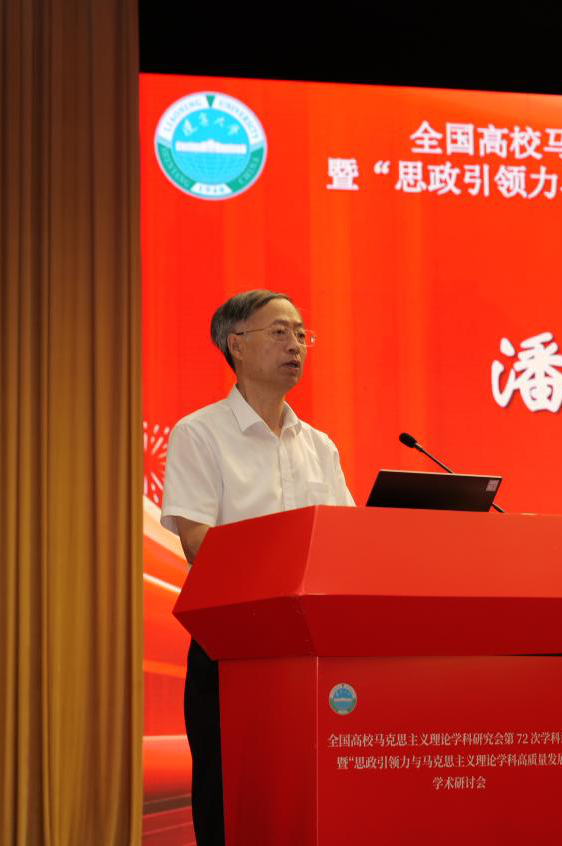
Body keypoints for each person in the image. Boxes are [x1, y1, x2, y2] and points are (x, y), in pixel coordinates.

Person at [160, 290, 355, 845]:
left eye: (301, 334)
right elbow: (199, 543)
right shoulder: (200, 433)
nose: (296, 344)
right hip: (233, 649)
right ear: (237, 345)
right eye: (279, 332)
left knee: (309, 803)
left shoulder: (320, 446)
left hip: (313, 653)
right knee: (233, 804)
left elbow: (344, 541)